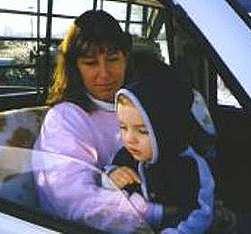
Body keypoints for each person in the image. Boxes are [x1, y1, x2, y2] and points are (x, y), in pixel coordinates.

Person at [32, 10, 157, 233]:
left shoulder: (143, 106)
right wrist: (155, 214)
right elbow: (75, 201)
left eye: (113, 59)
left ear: (126, 59)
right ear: (74, 68)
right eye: (90, 63)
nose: (105, 74)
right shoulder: (65, 118)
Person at [109, 61, 215, 234]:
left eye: (143, 131)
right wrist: (112, 174)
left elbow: (200, 214)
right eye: (123, 127)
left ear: (166, 129)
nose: (129, 139)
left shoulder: (189, 165)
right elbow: (108, 172)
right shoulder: (127, 155)